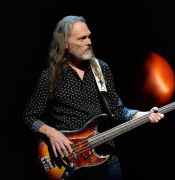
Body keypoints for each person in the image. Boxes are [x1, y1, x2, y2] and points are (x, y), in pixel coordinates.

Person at [22, 15, 164, 180]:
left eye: (89, 36)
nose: (89, 42)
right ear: (65, 44)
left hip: (107, 160)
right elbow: (29, 117)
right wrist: (52, 133)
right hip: (70, 164)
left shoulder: (101, 69)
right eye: (82, 38)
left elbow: (116, 110)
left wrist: (143, 114)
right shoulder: (49, 76)